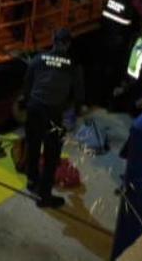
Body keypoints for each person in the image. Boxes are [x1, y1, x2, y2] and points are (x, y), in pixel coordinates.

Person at [22, 29, 84, 208]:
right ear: (68, 44)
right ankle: (44, 196)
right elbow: (79, 94)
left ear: (52, 40)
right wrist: (74, 112)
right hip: (54, 113)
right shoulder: (73, 65)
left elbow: (27, 85)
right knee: (51, 154)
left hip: (35, 108)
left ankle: (32, 181)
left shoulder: (38, 59)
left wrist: (29, 104)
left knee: (33, 146)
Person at [97, 0, 141, 107]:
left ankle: (97, 98)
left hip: (104, 40)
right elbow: (134, 29)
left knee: (101, 70)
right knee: (113, 74)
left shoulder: (111, 0)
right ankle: (108, 100)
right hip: (117, 47)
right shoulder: (131, 10)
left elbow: (103, 18)